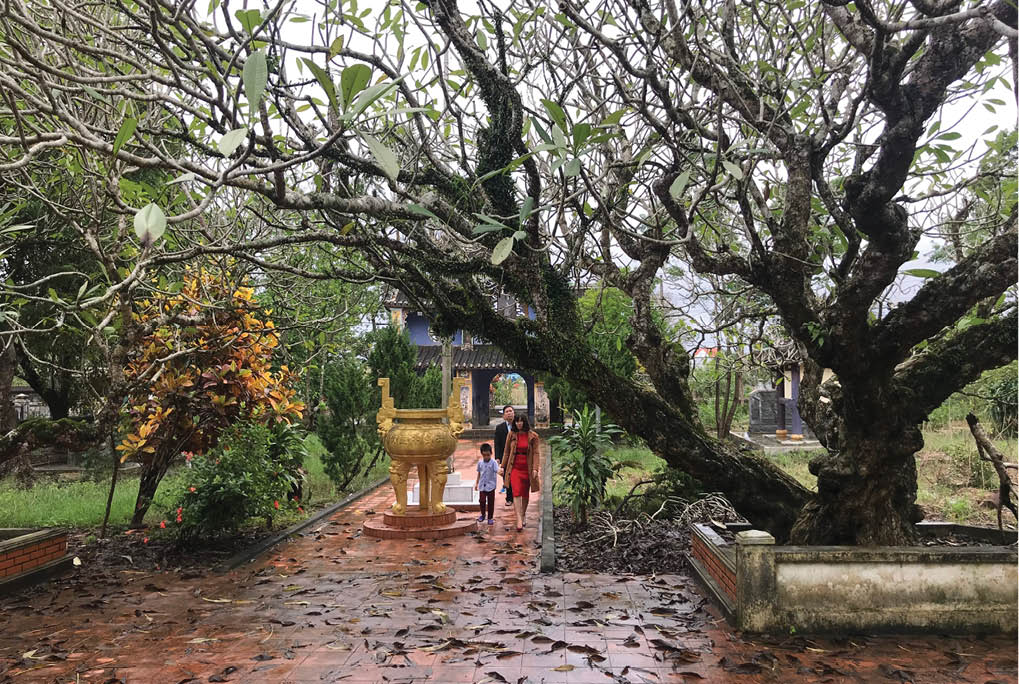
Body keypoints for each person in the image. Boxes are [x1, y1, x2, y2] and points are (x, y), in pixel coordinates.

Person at [501, 414, 539, 532]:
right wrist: (502, 466)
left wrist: (535, 468)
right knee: (516, 492)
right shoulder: (511, 435)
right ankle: (518, 518)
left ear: (525, 422)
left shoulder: (533, 436)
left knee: (525, 493)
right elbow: (506, 452)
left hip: (527, 467)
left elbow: (536, 453)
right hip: (515, 467)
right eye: (517, 421)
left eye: (521, 421)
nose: (519, 424)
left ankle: (523, 514)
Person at [493, 405, 514, 506]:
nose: (509, 413)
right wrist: (497, 458)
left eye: (511, 411)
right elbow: (497, 443)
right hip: (505, 457)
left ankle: (517, 496)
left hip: (517, 455)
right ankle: (509, 498)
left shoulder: (518, 426)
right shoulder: (499, 428)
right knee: (506, 477)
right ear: (504, 416)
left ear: (514, 413)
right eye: (507, 411)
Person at [474, 443, 498, 526]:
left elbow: (497, 470)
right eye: (484, 455)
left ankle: (490, 517)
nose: (486, 457)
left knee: (491, 502)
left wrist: (501, 472)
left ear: (491, 453)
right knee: (482, 500)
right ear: (482, 454)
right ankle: (483, 514)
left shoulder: (494, 462)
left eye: (488, 455)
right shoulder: (480, 463)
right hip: (482, 486)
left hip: (491, 486)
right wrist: (477, 483)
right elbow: (479, 473)